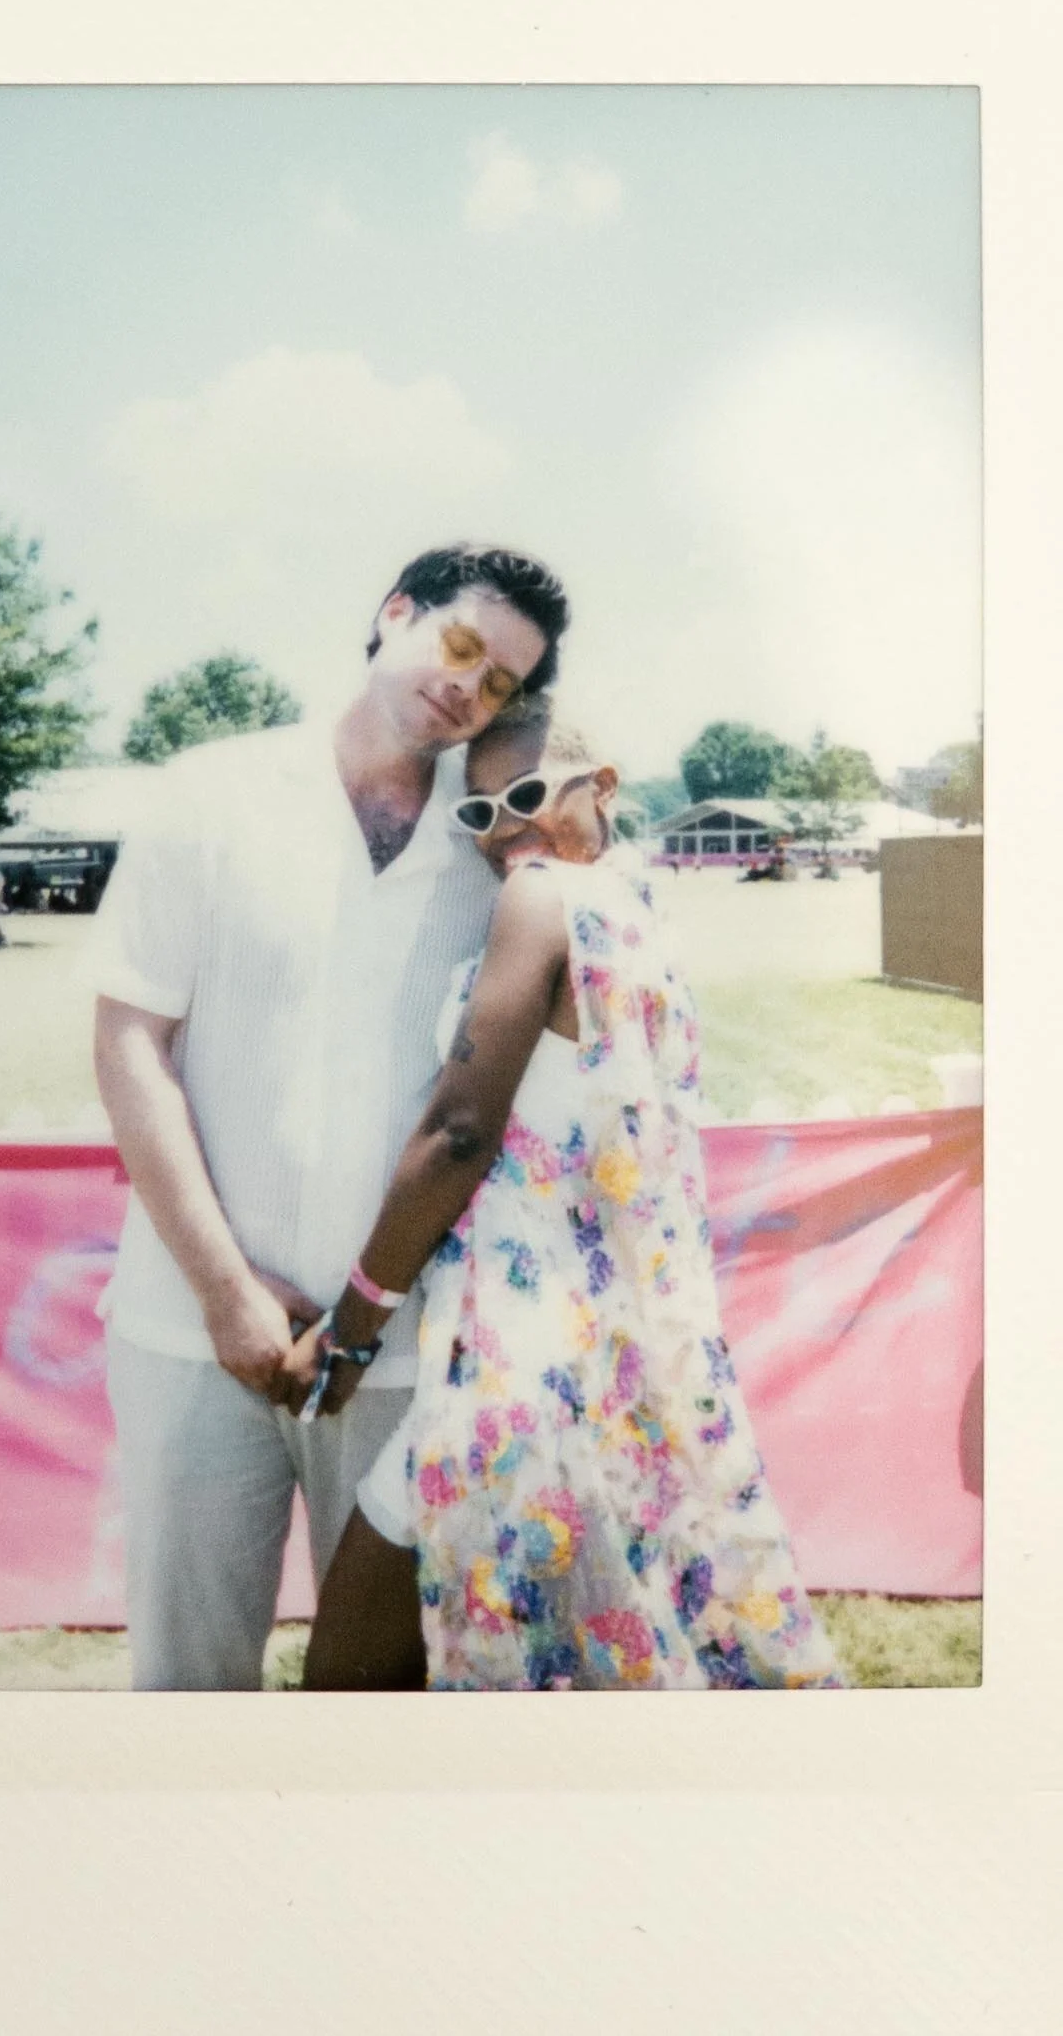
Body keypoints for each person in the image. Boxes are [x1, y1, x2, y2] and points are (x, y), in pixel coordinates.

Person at [88, 545, 572, 1690]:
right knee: (186, 1689)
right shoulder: (209, 791)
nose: (469, 688)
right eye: (460, 645)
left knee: (378, 1704)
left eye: (501, 682)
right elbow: (127, 1046)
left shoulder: (501, 842)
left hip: (402, 1355)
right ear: (393, 613)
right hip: (184, 1330)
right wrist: (225, 1294)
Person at [296, 699, 844, 1691]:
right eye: (478, 815)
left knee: (347, 1681)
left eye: (526, 797)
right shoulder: (644, 924)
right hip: (621, 1379)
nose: (505, 830)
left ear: (604, 788)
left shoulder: (540, 899)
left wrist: (354, 1322)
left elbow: (459, 1131)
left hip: (515, 1375)